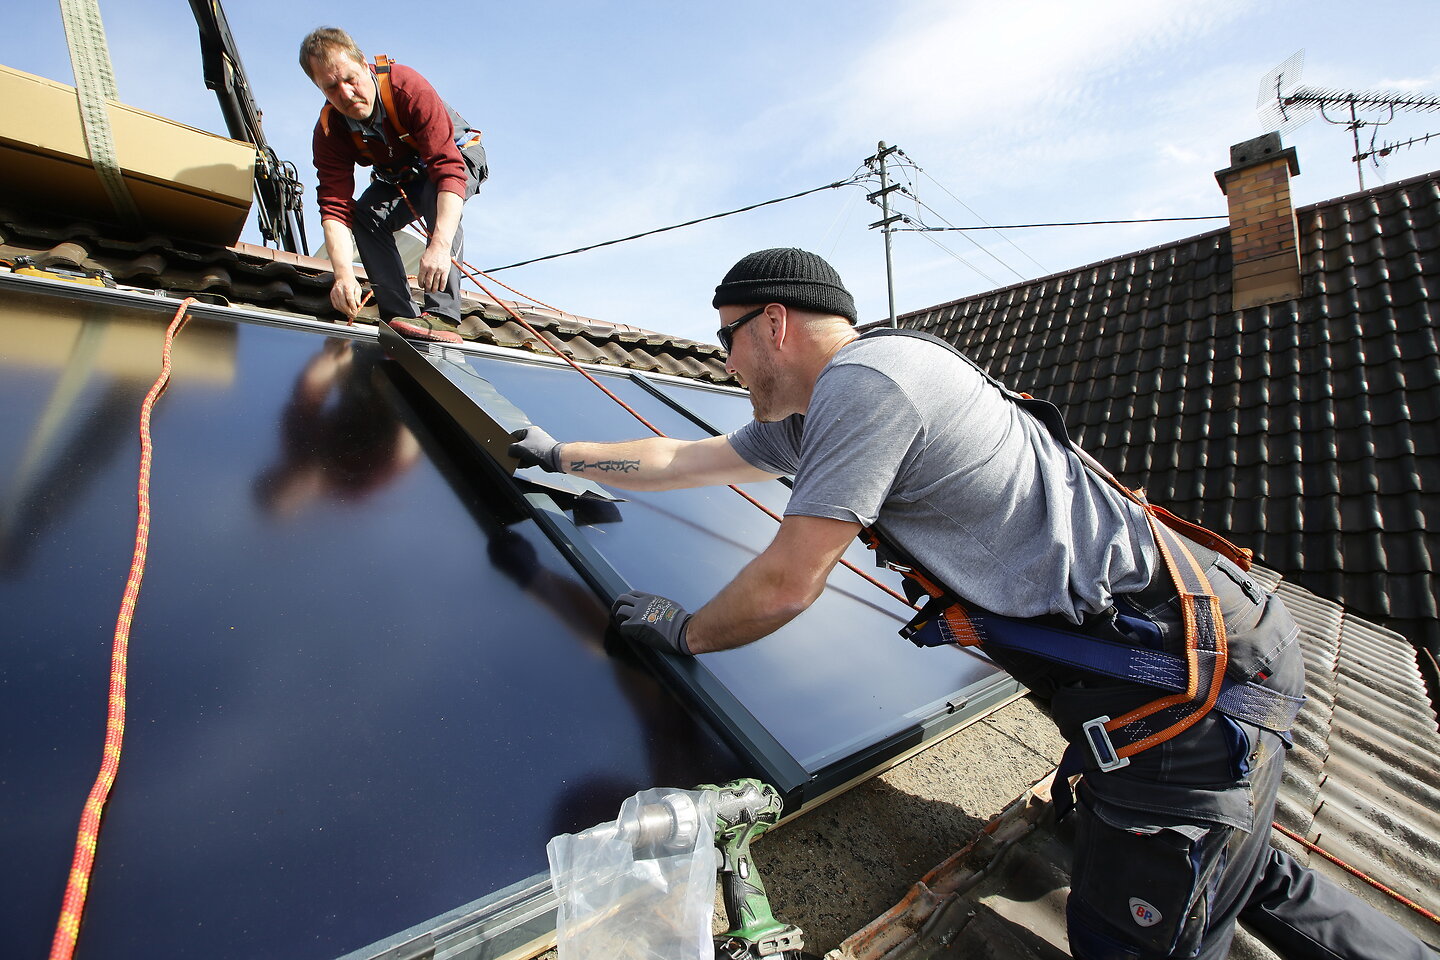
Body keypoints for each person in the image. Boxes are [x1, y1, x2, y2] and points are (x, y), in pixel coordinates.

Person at [508, 248, 1437, 960]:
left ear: (776, 324)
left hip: (1186, 687)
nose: (727, 361)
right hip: (1197, 655)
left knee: (1126, 927)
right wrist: (560, 457)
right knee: (1240, 867)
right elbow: (686, 459)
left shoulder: (868, 387)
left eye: (727, 337)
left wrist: (688, 633)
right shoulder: (813, 418)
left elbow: (791, 581)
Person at [301, 27, 487, 343]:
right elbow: (334, 207)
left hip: (456, 159)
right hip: (403, 175)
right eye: (331, 88)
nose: (346, 94)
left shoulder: (407, 87)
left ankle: (442, 316)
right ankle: (398, 315)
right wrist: (344, 275)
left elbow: (448, 172)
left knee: (434, 192)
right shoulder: (330, 130)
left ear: (363, 63)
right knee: (365, 215)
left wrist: (439, 247)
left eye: (350, 79)